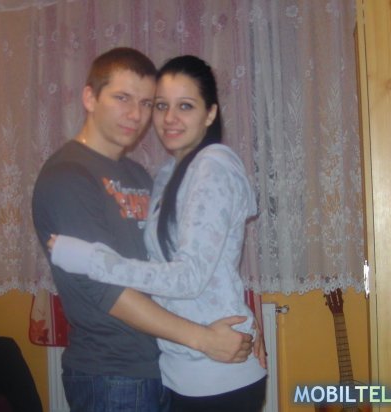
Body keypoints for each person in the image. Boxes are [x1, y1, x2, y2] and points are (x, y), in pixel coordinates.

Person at [32, 48, 255, 412]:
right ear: (90, 97)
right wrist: (203, 339)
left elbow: (183, 264)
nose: (137, 114)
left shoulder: (141, 175)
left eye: (147, 103)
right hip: (111, 373)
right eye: (122, 98)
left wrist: (240, 330)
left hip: (162, 365)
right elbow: (104, 289)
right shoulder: (68, 176)